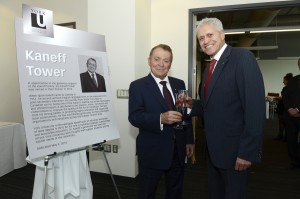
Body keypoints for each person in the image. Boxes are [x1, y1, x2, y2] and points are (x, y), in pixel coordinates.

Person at [186, 18, 266, 199]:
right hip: (213, 152)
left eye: (209, 35)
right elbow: (214, 105)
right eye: (201, 38)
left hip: (235, 153)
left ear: (222, 35)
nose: (205, 41)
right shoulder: (209, 69)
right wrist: (193, 105)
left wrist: (247, 153)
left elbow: (255, 109)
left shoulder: (242, 58)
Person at [128, 44, 195, 199]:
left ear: (170, 64)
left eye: (166, 60)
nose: (161, 64)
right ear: (149, 61)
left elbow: (185, 115)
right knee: (147, 193)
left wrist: (189, 140)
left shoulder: (179, 84)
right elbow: (134, 117)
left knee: (175, 192)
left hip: (178, 150)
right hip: (152, 151)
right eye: (157, 59)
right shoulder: (137, 86)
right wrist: (160, 118)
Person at [283, 58, 300, 169]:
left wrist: (298, 110)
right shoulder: (293, 80)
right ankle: (295, 162)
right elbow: (285, 94)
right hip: (291, 117)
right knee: (291, 140)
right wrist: (289, 109)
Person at [274, 73, 293, 141]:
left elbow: (285, 98)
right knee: (283, 122)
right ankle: (282, 136)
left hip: (284, 108)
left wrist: (278, 98)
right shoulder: (291, 88)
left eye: (284, 80)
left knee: (284, 122)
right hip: (284, 108)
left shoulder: (287, 88)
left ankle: (284, 136)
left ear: (288, 80)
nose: (283, 81)